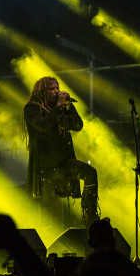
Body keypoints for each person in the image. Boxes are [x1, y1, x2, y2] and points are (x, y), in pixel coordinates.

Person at [23, 77, 99, 226]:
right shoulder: (31, 109)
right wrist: (58, 106)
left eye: (57, 88)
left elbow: (77, 126)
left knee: (91, 173)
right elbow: (43, 125)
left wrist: (69, 106)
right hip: (45, 167)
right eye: (52, 89)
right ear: (42, 91)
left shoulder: (60, 109)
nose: (56, 91)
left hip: (63, 162)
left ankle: (90, 218)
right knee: (47, 212)